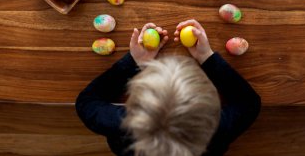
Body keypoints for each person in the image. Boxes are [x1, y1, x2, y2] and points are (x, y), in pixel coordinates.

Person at [76, 19, 261, 156]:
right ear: (213, 108)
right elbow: (249, 103)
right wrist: (206, 57)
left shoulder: (121, 126)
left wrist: (135, 61)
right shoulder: (217, 130)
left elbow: (86, 102)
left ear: (132, 107)